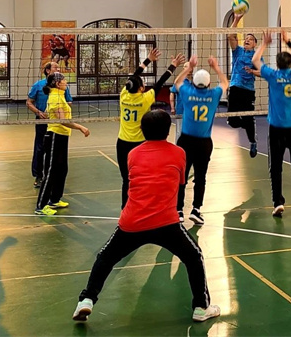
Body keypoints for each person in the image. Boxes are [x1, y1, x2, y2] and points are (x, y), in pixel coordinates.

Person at [72, 110, 220, 324]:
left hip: (132, 222)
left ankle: (86, 300)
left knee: (105, 258)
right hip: (166, 224)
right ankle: (201, 307)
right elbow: (180, 182)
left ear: (142, 130)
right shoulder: (179, 153)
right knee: (194, 257)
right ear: (168, 131)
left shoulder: (133, 154)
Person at [117, 49, 185, 209]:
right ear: (141, 89)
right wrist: (173, 65)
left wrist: (148, 60)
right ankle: (144, 206)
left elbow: (134, 78)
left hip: (122, 144)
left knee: (126, 180)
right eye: (143, 84)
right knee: (142, 179)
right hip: (140, 145)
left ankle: (125, 209)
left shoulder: (123, 95)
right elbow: (160, 83)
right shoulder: (145, 99)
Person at [252, 30, 291, 217]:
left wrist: (264, 43)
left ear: (277, 64)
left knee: (275, 166)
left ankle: (278, 203)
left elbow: (255, 60)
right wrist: (288, 41)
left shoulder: (273, 75)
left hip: (276, 128)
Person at [175, 55, 228, 224]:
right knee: (200, 177)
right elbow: (225, 83)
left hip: (185, 141)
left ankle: (178, 210)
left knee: (182, 176)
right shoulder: (213, 95)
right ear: (208, 84)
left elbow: (177, 82)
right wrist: (216, 67)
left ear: (194, 82)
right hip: (203, 143)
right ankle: (196, 210)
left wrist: (189, 67)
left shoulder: (187, 92)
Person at [34, 72, 90, 216]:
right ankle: (41, 206)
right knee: (50, 171)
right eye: (64, 80)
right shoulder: (55, 97)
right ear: (57, 83)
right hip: (54, 136)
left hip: (62, 136)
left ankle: (54, 200)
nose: (66, 82)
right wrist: (80, 127)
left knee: (62, 169)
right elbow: (62, 121)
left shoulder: (58, 96)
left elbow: (49, 113)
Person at [27, 61, 73, 188]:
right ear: (47, 70)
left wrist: (60, 109)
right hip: (42, 121)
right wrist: (38, 112)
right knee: (40, 147)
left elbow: (69, 101)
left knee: (55, 150)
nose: (58, 69)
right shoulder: (38, 85)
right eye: (55, 67)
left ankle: (52, 176)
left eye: (59, 67)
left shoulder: (62, 86)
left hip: (56, 122)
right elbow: (29, 102)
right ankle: (38, 175)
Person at [227, 13, 262, 158]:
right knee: (232, 121)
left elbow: (263, 72)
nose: (247, 40)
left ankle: (252, 142)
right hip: (235, 88)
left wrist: (252, 71)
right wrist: (236, 19)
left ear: (255, 44)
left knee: (248, 118)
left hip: (248, 91)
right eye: (246, 38)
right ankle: (246, 124)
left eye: (251, 39)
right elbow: (230, 36)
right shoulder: (238, 51)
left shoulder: (256, 57)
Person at [170, 63, 192, 142]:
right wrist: (172, 107)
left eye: (190, 66)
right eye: (186, 66)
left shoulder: (195, 81)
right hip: (180, 110)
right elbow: (172, 93)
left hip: (192, 111)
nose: (188, 68)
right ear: (183, 68)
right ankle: (178, 146)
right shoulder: (180, 81)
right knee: (179, 131)